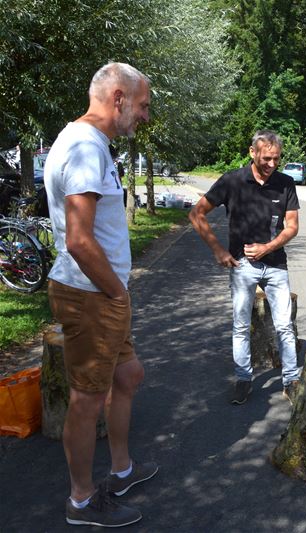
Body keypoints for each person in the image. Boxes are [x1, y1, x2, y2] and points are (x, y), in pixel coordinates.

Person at [43, 62, 157, 528]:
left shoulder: (90, 143)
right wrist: (116, 294)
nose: (145, 117)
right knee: (87, 400)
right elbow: (78, 240)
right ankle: (82, 501)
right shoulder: (87, 147)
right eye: (143, 105)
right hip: (92, 294)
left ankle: (122, 471)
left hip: (102, 294)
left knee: (127, 376)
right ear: (118, 98)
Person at [189, 130, 300, 406]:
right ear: (252, 152)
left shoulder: (286, 183)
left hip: (276, 266)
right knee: (240, 325)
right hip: (242, 267)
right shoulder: (232, 181)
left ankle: (291, 381)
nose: (272, 164)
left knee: (285, 326)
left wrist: (268, 247)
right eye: (266, 158)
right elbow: (196, 213)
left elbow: (293, 226)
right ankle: (243, 380)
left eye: (277, 158)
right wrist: (217, 250)